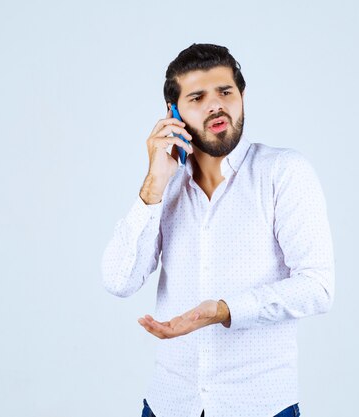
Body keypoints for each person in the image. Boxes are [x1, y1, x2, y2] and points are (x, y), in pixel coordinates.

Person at [101, 43, 334, 417]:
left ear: (242, 97)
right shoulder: (165, 187)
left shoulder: (284, 172)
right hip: (169, 404)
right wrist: (154, 183)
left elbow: (317, 287)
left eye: (225, 92)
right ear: (172, 113)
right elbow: (118, 280)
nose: (216, 105)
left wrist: (226, 311)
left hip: (260, 405)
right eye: (197, 97)